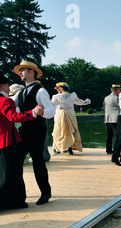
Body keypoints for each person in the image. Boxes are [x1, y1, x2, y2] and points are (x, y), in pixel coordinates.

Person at [12, 61, 55, 206]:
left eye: (23, 70)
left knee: (38, 162)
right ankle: (16, 194)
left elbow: (51, 112)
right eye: (20, 70)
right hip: (23, 131)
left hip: (37, 131)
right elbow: (12, 106)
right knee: (16, 162)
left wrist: (42, 112)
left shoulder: (41, 91)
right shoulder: (20, 92)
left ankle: (45, 193)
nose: (20, 72)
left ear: (32, 72)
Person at [1, 74, 44, 210]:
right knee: (13, 173)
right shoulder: (5, 101)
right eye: (7, 85)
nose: (8, 88)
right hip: (9, 141)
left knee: (3, 173)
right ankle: (15, 201)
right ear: (2, 86)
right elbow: (14, 117)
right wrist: (33, 112)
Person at [51, 82, 90, 155]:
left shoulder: (55, 97)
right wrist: (85, 102)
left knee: (60, 131)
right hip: (69, 114)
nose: (57, 89)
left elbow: (51, 106)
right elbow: (79, 102)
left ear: (62, 88)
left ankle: (60, 147)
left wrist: (59, 107)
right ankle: (69, 147)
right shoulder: (72, 96)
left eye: (58, 88)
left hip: (61, 114)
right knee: (70, 130)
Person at [104, 84, 121, 154]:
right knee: (118, 135)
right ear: (116, 90)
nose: (120, 91)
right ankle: (116, 150)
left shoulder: (106, 98)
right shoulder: (117, 98)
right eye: (119, 90)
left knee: (109, 135)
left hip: (107, 118)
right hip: (115, 119)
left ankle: (108, 149)